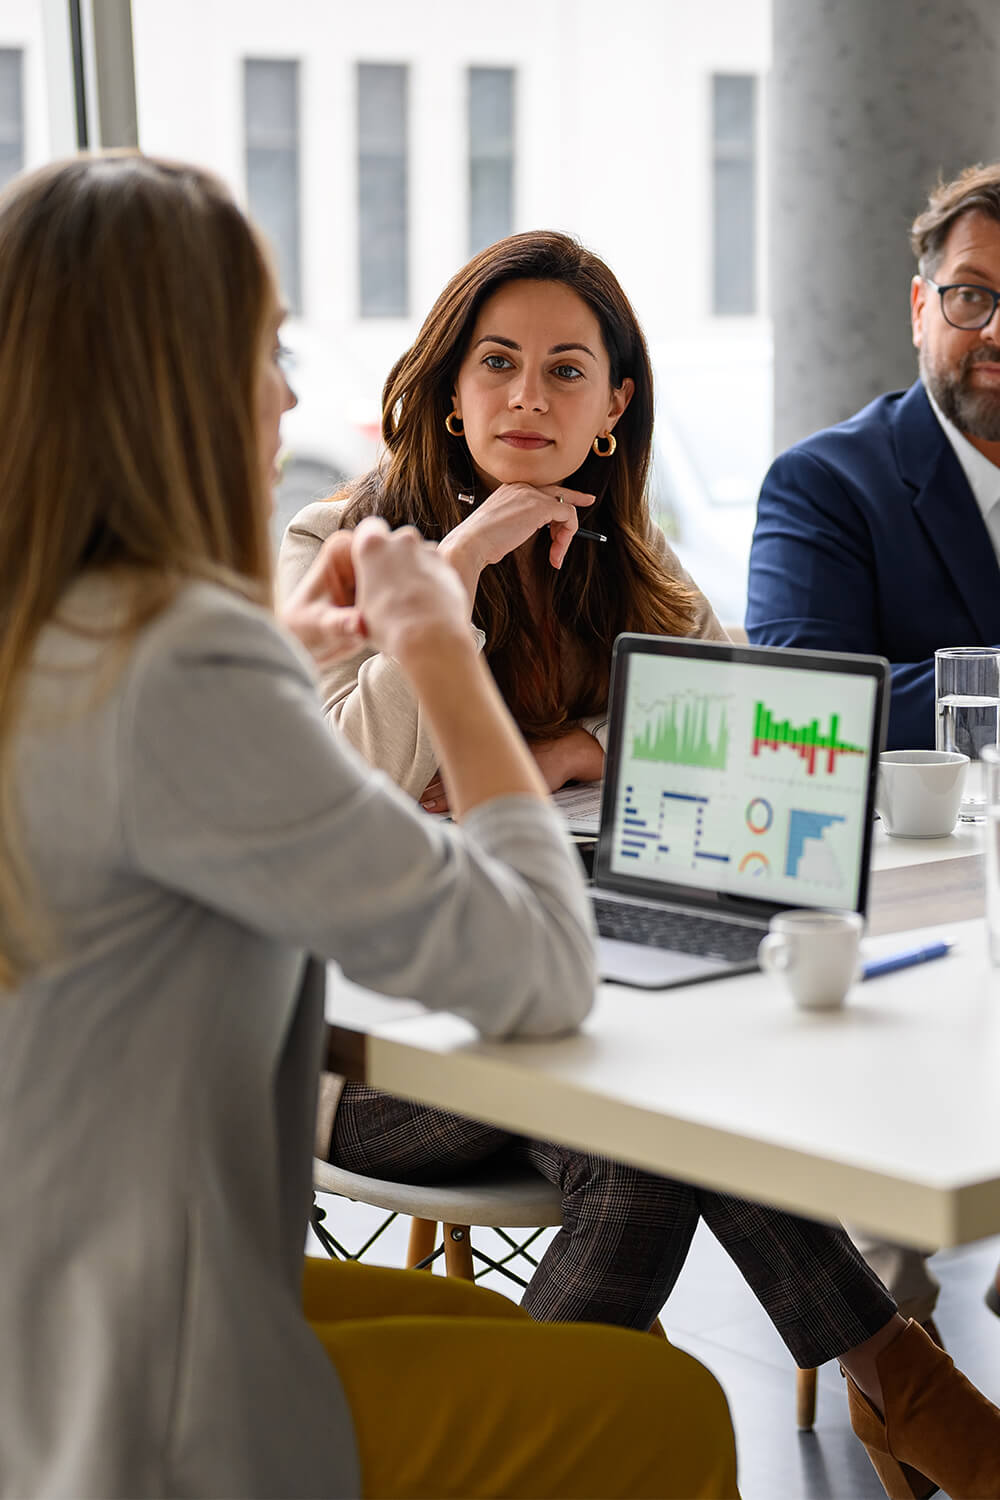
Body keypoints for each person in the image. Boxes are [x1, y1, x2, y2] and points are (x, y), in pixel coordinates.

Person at [0, 153, 751, 1500]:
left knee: (567, 1284)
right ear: (161, 381)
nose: (288, 394)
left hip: (48, 1318)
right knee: (670, 1407)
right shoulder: (181, 660)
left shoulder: (57, 639)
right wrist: (438, 646)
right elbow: (539, 968)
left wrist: (291, 651)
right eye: (263, 348)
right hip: (147, 1411)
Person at [280, 228, 1000, 1500]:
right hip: (376, 1033)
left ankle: (531, 1453)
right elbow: (322, 789)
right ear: (448, 387)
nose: (525, 397)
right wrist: (452, 576)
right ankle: (898, 1384)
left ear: (613, 407)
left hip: (574, 993)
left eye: (566, 371)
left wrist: (570, 745)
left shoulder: (633, 566)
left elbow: (733, 727)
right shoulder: (340, 546)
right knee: (664, 1139)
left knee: (654, 1135)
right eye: (496, 364)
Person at [745, 161, 1000, 1333]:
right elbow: (805, 710)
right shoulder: (827, 484)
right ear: (918, 307)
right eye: (970, 296)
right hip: (909, 909)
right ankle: (901, 1373)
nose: (992, 331)